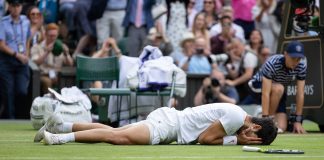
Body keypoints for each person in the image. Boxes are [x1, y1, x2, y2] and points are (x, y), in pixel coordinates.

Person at [34, 103, 277, 145]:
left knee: (113, 132)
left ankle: (60, 126)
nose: (252, 139)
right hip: (168, 126)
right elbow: (204, 139)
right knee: (115, 138)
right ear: (255, 128)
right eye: (257, 139)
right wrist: (237, 140)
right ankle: (58, 139)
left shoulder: (237, 115)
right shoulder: (236, 119)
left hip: (168, 120)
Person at [247, 41, 307, 134]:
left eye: (298, 59)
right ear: (285, 54)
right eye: (293, 58)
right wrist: (266, 119)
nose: (296, 62)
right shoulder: (272, 63)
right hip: (258, 86)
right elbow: (265, 93)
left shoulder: (301, 66)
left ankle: (263, 117)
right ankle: (265, 119)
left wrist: (298, 121)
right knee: (279, 88)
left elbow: (300, 94)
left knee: (281, 127)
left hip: (277, 90)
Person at [0, 0, 31, 118]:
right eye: (13, 6)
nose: (16, 8)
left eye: (18, 5)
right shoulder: (3, 22)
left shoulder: (26, 21)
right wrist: (17, 55)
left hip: (22, 61)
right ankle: (10, 120)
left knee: (22, 91)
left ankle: (20, 117)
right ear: (10, 7)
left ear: (21, 7)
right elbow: (1, 45)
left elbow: (27, 40)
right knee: (8, 92)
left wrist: (27, 53)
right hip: (7, 60)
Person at [30, 23, 74, 95]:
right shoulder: (37, 47)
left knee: (68, 80)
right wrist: (46, 52)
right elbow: (35, 63)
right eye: (50, 36)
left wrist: (67, 54)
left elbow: (70, 64)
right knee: (47, 82)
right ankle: (49, 103)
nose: (52, 38)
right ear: (46, 35)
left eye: (54, 36)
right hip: (43, 74)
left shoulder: (60, 46)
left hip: (58, 75)